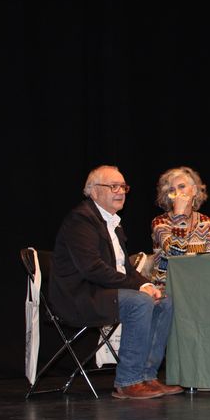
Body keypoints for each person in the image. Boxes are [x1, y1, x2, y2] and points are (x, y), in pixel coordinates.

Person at [50, 165, 182, 399]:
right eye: (113, 186)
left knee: (164, 301)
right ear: (93, 191)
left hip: (105, 292)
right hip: (81, 296)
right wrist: (140, 288)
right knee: (140, 302)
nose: (120, 191)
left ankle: (147, 376)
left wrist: (148, 285)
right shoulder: (81, 220)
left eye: (123, 186)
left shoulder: (113, 224)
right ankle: (128, 381)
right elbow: (93, 269)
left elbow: (126, 269)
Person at [150, 166, 210, 288]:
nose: (177, 193)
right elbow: (176, 255)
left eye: (182, 186)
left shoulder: (206, 222)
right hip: (167, 287)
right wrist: (179, 216)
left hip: (197, 285)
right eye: (172, 190)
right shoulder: (160, 222)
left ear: (193, 191)